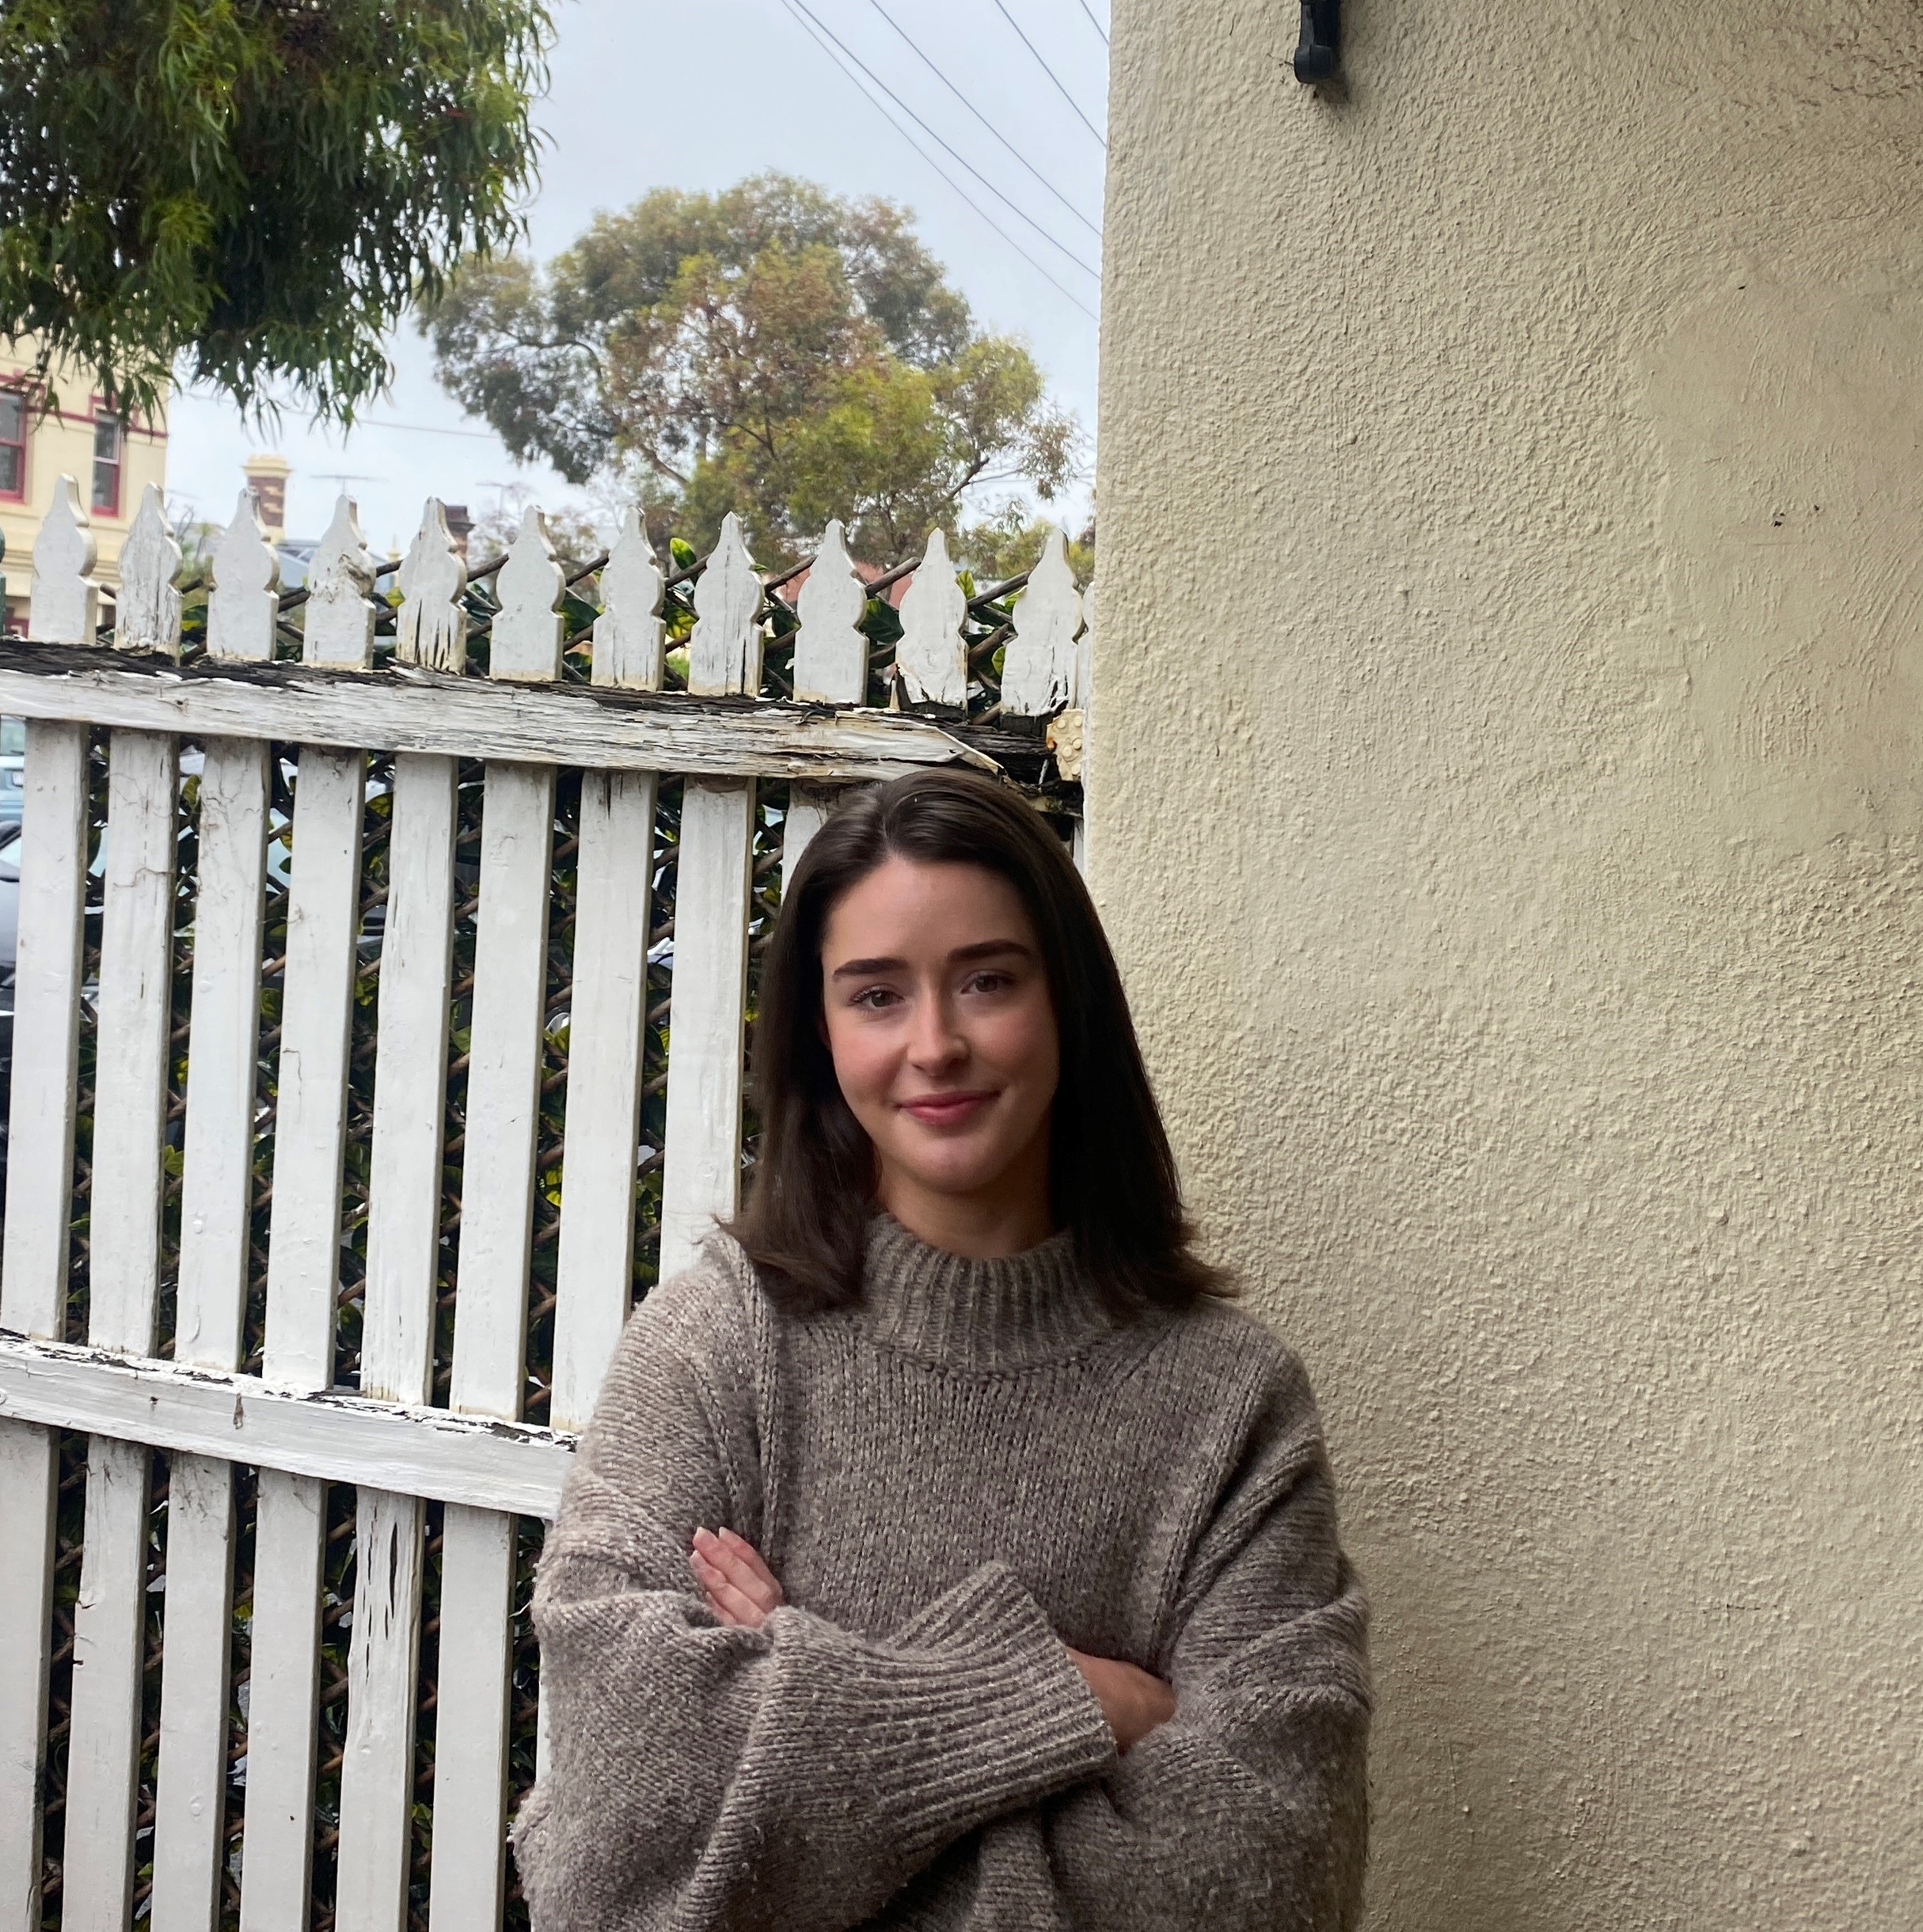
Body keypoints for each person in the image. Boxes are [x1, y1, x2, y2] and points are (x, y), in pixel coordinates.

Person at [514, 768, 1370, 1929]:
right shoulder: (718, 1350)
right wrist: (1061, 1699)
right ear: (820, 1037)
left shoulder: (1231, 1405)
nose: (936, 1044)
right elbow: (615, 1859)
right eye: (876, 995)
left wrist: (808, 1685)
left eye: (987, 981)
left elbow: (1274, 1876)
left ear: (1068, 1001)